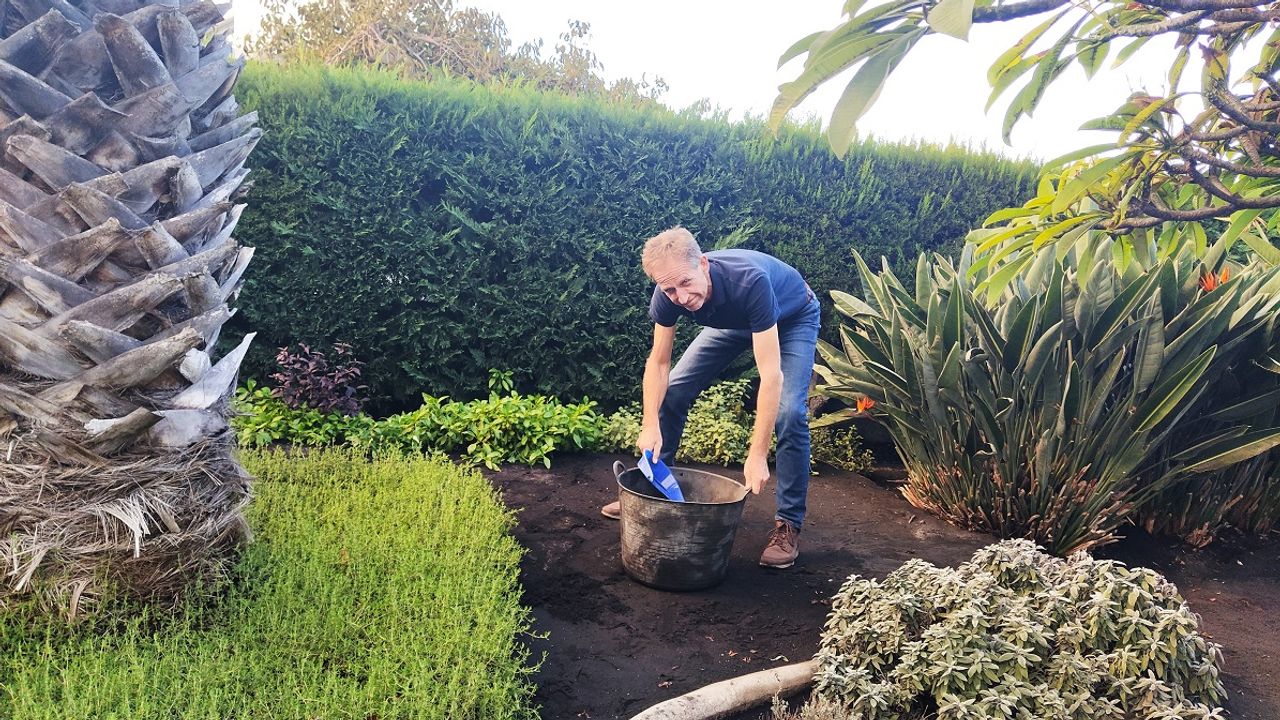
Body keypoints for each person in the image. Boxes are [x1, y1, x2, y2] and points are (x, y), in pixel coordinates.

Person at [601, 226, 821, 569]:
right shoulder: (668, 292)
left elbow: (770, 376)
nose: (681, 296)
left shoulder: (750, 282)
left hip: (793, 317)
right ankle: (652, 490)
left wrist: (757, 454)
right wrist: (649, 425)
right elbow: (658, 364)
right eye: (669, 289)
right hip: (732, 323)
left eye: (686, 283)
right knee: (673, 390)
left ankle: (788, 525)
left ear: (703, 264)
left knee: (790, 412)